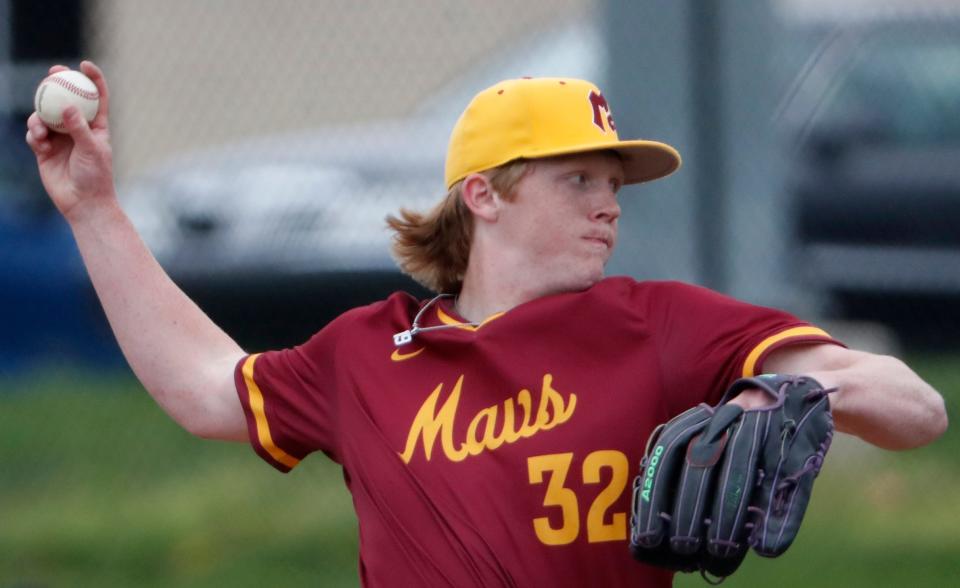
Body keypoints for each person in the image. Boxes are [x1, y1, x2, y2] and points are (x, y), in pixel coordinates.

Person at [26, 61, 947, 587]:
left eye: (615, 184)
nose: (608, 206)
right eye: (577, 179)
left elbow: (915, 409)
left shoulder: (661, 324)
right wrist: (94, 208)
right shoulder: (366, 350)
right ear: (484, 195)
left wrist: (779, 392)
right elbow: (202, 390)